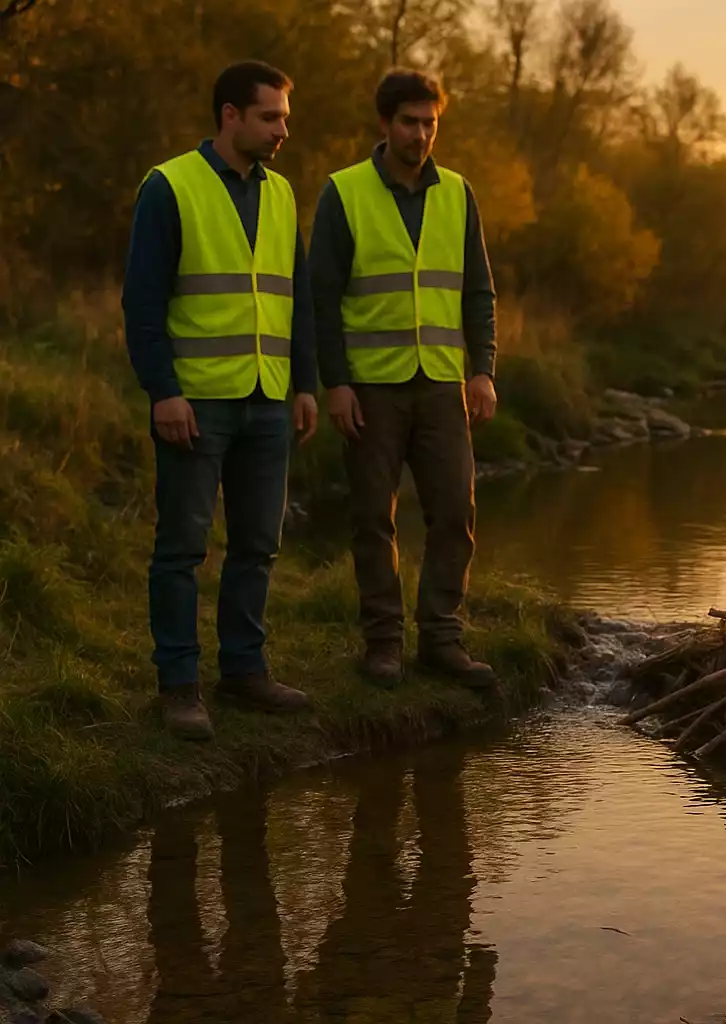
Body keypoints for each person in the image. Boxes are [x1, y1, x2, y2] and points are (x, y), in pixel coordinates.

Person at [122, 60, 318, 741]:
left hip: (268, 398)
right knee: (181, 548)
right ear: (230, 115)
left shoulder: (282, 193)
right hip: (196, 403)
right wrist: (164, 392)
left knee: (258, 545)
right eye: (270, 117)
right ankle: (179, 687)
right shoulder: (170, 186)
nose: (282, 130)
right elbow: (142, 303)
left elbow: (297, 297)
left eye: (285, 117)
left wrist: (305, 384)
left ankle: (244, 671)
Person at [308, 68, 499, 690]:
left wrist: (482, 370)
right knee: (373, 519)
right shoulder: (344, 192)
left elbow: (478, 291)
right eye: (410, 123)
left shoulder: (458, 193)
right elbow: (322, 298)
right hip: (371, 387)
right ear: (385, 124)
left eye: (430, 123)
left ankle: (441, 639)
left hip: (442, 384)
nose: (421, 135)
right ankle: (384, 644)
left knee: (455, 513)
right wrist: (335, 383)